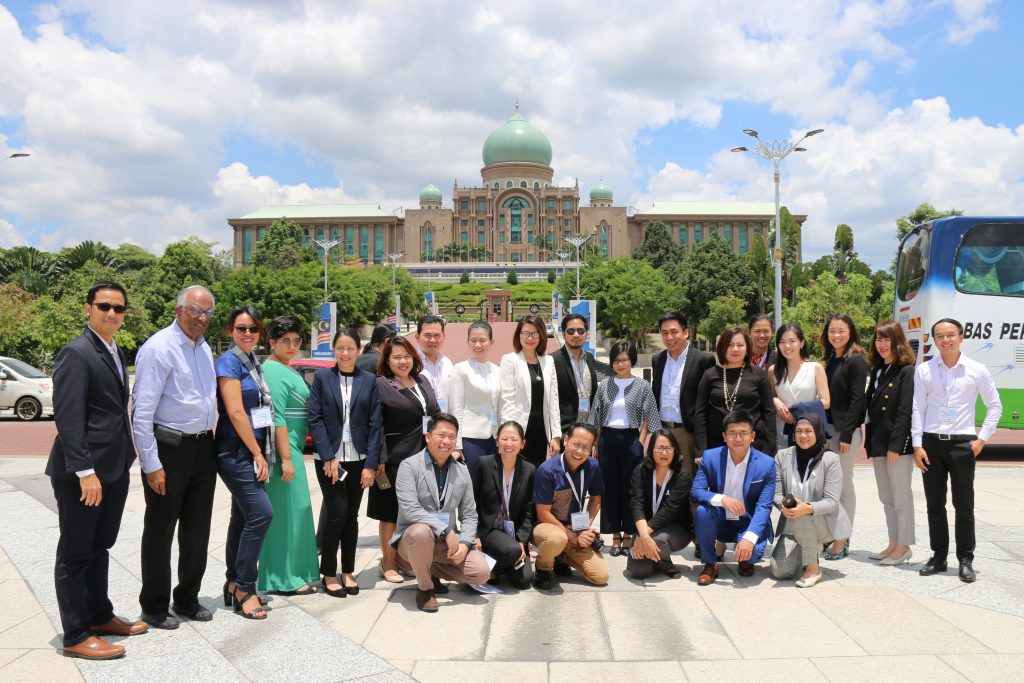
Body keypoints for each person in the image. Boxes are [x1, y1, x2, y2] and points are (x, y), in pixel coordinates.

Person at [47, 281, 147, 659]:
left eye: (119, 308)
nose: (111, 313)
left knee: (99, 546)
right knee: (75, 553)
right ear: (87, 308)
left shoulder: (114, 350)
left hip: (114, 469)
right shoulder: (76, 352)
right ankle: (75, 633)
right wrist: (84, 471)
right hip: (84, 474)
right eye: (104, 306)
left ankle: (100, 614)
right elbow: (69, 417)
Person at [133, 285, 218, 629]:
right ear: (178, 309)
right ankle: (154, 605)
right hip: (168, 448)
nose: (201, 318)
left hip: (202, 446)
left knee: (197, 530)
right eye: (195, 311)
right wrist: (151, 464)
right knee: (160, 529)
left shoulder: (204, 348)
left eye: (207, 313)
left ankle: (187, 598)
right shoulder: (158, 349)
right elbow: (141, 412)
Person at [913, 318, 1002, 583]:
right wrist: (917, 444)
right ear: (935, 340)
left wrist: (981, 439)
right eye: (940, 336)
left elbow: (995, 406)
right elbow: (918, 407)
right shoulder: (924, 370)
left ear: (961, 337)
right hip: (931, 443)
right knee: (934, 504)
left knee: (964, 505)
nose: (945, 340)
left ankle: (965, 559)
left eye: (951, 335)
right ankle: (938, 556)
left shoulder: (977, 370)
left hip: (963, 444)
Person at [308, 326, 382, 596]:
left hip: (358, 459)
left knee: (351, 516)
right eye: (340, 348)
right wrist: (328, 455)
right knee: (336, 513)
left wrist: (371, 465)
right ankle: (328, 573)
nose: (346, 353)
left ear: (358, 350)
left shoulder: (368, 380)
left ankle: (348, 571)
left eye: (350, 348)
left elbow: (376, 425)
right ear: (334, 350)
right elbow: (314, 418)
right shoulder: (322, 378)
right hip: (330, 460)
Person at [392, 414, 490, 612]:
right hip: (413, 538)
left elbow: (470, 514)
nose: (447, 442)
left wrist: (465, 543)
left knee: (481, 572)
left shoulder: (462, 471)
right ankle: (426, 588)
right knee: (421, 532)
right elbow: (410, 508)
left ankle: (427, 570)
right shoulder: (409, 466)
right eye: (441, 435)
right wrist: (446, 530)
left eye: (452, 437)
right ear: (428, 437)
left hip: (447, 544)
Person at [214, 307, 273, 620]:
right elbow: (236, 413)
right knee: (262, 514)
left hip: (251, 450)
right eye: (241, 328)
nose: (247, 333)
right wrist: (257, 453)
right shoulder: (228, 361)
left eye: (252, 329)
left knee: (242, 517)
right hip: (236, 452)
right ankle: (246, 587)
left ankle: (234, 581)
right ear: (230, 331)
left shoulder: (254, 362)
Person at [369, 336, 440, 583]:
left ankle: (404, 559)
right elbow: (374, 423)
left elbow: (434, 414)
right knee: (390, 512)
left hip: (423, 457)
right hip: (393, 459)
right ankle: (387, 562)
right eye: (397, 356)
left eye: (407, 356)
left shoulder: (421, 380)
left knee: (416, 513)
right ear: (387, 360)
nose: (403, 361)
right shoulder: (380, 384)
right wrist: (378, 457)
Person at [257, 316, 319, 597]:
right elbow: (277, 418)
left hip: (294, 447)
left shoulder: (287, 368)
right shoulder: (272, 370)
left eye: (296, 341)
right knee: (287, 515)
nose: (292, 346)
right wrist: (284, 459)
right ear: (272, 342)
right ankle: (281, 578)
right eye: (285, 341)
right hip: (287, 450)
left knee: (297, 511)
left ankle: (294, 572)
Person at [588, 341, 661, 556]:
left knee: (631, 487)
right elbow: (596, 416)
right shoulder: (605, 385)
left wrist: (641, 441)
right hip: (608, 439)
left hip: (631, 439)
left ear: (632, 361)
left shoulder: (641, 386)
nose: (621, 364)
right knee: (609, 487)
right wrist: (595, 444)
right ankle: (615, 536)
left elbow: (651, 417)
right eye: (617, 360)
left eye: (625, 360)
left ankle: (629, 533)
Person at [691, 410, 776, 585]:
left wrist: (749, 538)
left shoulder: (766, 464)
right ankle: (710, 564)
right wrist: (722, 499)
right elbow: (696, 491)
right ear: (724, 436)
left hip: (747, 520)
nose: (738, 438)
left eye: (743, 433)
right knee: (702, 511)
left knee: (750, 553)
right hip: (720, 518)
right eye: (732, 433)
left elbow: (764, 507)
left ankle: (744, 556)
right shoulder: (711, 457)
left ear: (752, 436)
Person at [770, 415, 850, 587]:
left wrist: (806, 508)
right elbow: (776, 494)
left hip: (824, 523)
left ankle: (813, 569)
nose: (803, 436)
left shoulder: (830, 459)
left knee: (802, 512)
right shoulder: (782, 456)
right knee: (780, 570)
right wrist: (783, 506)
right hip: (793, 523)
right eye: (798, 431)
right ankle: (812, 547)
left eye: (808, 431)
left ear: (818, 432)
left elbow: (831, 502)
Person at [865, 320, 917, 566]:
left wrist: (896, 445)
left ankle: (904, 545)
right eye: (878, 339)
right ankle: (893, 542)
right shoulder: (877, 370)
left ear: (897, 341)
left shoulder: (906, 370)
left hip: (896, 446)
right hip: (878, 443)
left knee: (901, 497)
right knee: (887, 498)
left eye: (887, 339)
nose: (882, 344)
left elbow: (905, 411)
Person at [531, 423, 608, 590]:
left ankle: (561, 556)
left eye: (586, 447)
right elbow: (543, 513)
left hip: (574, 526)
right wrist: (573, 537)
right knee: (556, 539)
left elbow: (596, 499)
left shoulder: (592, 466)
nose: (580, 451)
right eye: (576, 444)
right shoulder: (547, 470)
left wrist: (584, 527)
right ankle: (543, 568)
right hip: (547, 526)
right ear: (566, 440)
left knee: (600, 576)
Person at [821, 313, 869, 560]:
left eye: (841, 331)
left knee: (843, 487)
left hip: (844, 433)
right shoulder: (832, 360)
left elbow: (857, 400)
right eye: (832, 331)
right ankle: (830, 534)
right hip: (830, 430)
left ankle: (842, 539)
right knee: (830, 487)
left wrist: (847, 434)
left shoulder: (856, 361)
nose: (836, 335)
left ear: (850, 333)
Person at [470, 421, 536, 588]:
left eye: (514, 439)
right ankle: (488, 569)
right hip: (489, 530)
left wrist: (522, 541)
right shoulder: (484, 464)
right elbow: (470, 502)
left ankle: (494, 563)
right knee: (512, 551)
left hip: (512, 534)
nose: (509, 444)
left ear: (522, 444)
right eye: (504, 439)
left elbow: (529, 511)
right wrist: (475, 535)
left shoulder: (529, 470)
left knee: (524, 580)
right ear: (497, 440)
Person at [695, 326, 776, 457]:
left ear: (747, 348)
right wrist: (701, 450)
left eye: (740, 345)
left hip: (754, 446)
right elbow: (700, 414)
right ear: (722, 347)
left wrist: (769, 448)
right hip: (717, 446)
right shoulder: (710, 375)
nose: (735, 349)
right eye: (730, 345)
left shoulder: (758, 374)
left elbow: (769, 413)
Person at [651, 313, 716, 475]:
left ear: (686, 333)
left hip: (688, 432)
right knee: (665, 479)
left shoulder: (703, 360)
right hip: (663, 430)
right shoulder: (657, 359)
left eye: (674, 332)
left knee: (689, 481)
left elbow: (709, 402)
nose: (669, 337)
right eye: (664, 333)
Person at [627, 430, 694, 579]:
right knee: (638, 571)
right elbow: (636, 503)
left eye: (668, 448)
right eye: (659, 448)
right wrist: (643, 534)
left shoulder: (682, 476)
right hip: (645, 527)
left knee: (659, 539)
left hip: (676, 529)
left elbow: (669, 511)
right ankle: (654, 558)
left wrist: (642, 536)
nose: (664, 452)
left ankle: (665, 562)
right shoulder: (640, 471)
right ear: (651, 450)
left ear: (675, 450)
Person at [498, 315, 562, 468]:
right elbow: (507, 399)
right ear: (518, 335)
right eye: (525, 333)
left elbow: (553, 401)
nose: (530, 338)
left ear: (541, 335)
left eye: (535, 333)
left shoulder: (548, 361)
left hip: (541, 432)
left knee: (536, 476)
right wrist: (510, 435)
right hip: (519, 432)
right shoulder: (510, 360)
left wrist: (556, 436)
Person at [449, 321, 501, 470]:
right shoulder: (460, 369)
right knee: (473, 485)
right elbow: (456, 408)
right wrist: (456, 444)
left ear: (491, 342)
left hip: (493, 438)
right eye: (473, 340)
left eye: (482, 340)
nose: (478, 345)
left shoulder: (497, 370)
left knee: (490, 486)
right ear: (468, 342)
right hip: (470, 439)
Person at [770, 323, 830, 450]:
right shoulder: (773, 371)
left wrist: (796, 412)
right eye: (782, 342)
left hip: (808, 430)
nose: (787, 346)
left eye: (792, 341)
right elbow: (770, 396)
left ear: (801, 343)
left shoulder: (815, 368)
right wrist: (775, 401)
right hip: (782, 429)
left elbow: (826, 402)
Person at [552, 313, 598, 432]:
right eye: (571, 331)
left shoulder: (590, 358)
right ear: (563, 334)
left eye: (580, 331)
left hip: (589, 429)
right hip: (566, 431)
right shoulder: (553, 360)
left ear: (586, 333)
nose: (576, 335)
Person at [416, 314, 453, 411]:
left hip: (444, 420)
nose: (432, 340)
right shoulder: (410, 364)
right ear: (417, 337)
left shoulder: (447, 363)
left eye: (437, 335)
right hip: (420, 423)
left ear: (443, 337)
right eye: (427, 335)